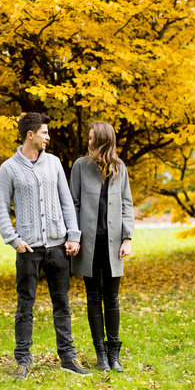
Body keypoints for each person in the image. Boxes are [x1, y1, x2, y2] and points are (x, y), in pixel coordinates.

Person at [0, 112, 92, 379]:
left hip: (59, 247)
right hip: (28, 249)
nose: (48, 137)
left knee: (62, 303)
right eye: (45, 133)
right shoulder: (9, 168)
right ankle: (23, 360)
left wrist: (73, 236)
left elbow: (66, 202)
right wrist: (13, 240)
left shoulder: (54, 163)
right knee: (25, 305)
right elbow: (1, 209)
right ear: (30, 135)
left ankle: (68, 358)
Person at [70, 121, 135, 372]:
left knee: (112, 298)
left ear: (104, 140)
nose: (88, 141)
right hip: (89, 243)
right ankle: (100, 355)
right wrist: (74, 236)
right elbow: (73, 203)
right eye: (88, 137)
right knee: (93, 297)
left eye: (92, 138)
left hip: (113, 244)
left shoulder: (120, 168)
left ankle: (114, 355)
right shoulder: (79, 166)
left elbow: (127, 204)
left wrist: (127, 238)